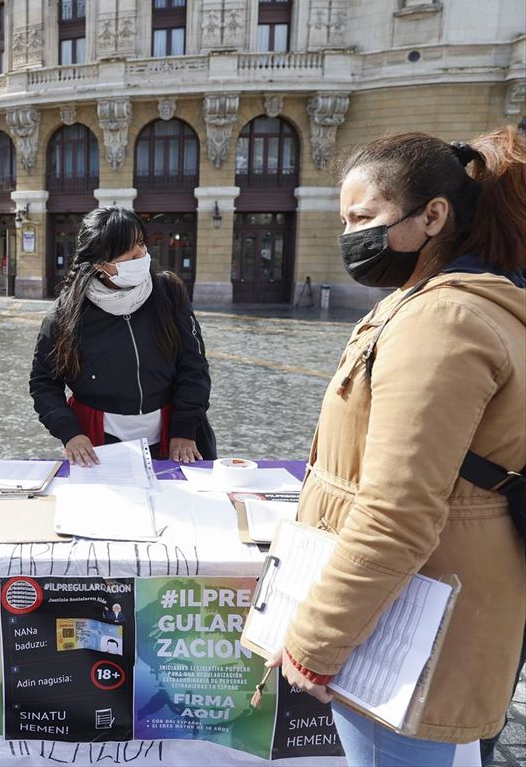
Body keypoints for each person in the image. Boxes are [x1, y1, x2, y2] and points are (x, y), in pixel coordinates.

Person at [271, 126, 525, 765]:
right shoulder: (443, 303)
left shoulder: (442, 320)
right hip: (422, 603)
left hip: (408, 626)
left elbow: (396, 512)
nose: (350, 234)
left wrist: (315, 641)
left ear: (433, 216)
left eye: (363, 216)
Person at [29, 208, 214, 467]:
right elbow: (44, 383)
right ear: (98, 262)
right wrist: (70, 433)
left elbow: (193, 365)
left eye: (140, 242)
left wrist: (184, 428)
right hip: (99, 440)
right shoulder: (65, 314)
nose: (140, 254)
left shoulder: (169, 292)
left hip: (171, 435)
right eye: (127, 249)